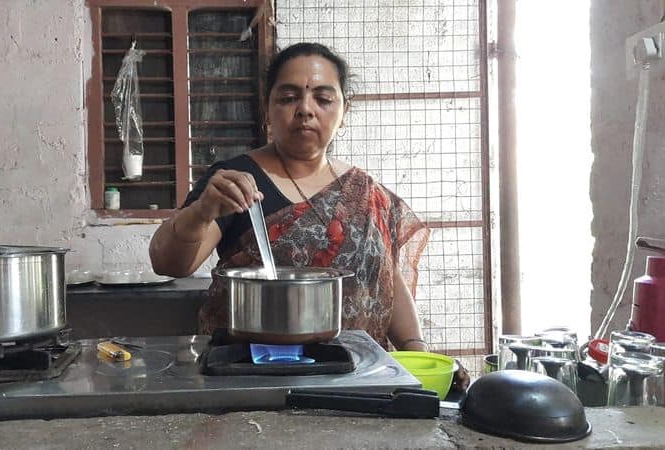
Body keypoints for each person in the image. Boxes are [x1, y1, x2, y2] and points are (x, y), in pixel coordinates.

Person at [150, 43, 459, 382]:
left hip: (354, 375)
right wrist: (202, 210)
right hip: (251, 373)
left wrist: (417, 351)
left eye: (323, 99)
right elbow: (169, 263)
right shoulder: (234, 181)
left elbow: (386, 281)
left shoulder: (366, 192)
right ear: (267, 109)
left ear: (345, 112)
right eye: (288, 98)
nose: (305, 110)